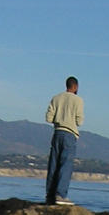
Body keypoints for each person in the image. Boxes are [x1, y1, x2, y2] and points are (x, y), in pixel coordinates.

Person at [44, 76, 84, 205]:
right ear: (76, 87)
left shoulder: (56, 98)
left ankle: (50, 195)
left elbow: (49, 118)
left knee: (53, 165)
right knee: (65, 165)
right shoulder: (78, 100)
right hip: (70, 134)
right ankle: (60, 195)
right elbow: (80, 121)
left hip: (57, 133)